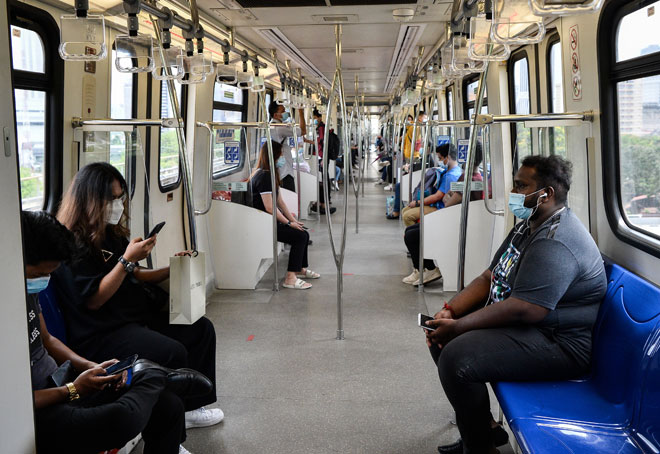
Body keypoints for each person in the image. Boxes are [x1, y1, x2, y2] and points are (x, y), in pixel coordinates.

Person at [424, 155, 607, 454]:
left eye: (522, 186)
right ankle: (484, 430)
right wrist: (452, 310)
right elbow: (490, 275)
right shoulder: (528, 225)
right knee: (438, 334)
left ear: (545, 194)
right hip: (534, 328)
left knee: (456, 357)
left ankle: (480, 447)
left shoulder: (555, 240)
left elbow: (527, 308)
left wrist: (458, 327)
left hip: (560, 343)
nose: (514, 193)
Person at [21, 210, 211, 454]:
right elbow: (11, 403)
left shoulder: (28, 291)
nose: (43, 280)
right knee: (123, 419)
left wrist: (90, 366)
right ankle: (154, 375)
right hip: (39, 409)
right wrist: (71, 390)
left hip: (60, 382)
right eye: (38, 274)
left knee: (169, 405)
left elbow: (47, 339)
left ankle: (150, 376)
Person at [55, 162, 223, 429]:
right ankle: (170, 427)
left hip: (131, 315)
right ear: (91, 199)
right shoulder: (70, 242)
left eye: (120, 198)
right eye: (112, 199)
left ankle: (191, 408)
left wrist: (171, 268)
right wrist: (126, 261)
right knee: (172, 352)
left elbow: (136, 274)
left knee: (200, 329)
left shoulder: (109, 234)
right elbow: (95, 299)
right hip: (101, 330)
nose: (117, 205)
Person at [402, 144, 484, 286]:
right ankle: (422, 268)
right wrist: (450, 196)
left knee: (412, 235)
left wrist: (450, 196)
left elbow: (448, 202)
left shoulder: (470, 179)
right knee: (410, 230)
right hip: (453, 217)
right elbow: (449, 196)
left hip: (455, 221)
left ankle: (428, 268)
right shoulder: (467, 175)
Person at [250, 140, 320, 290]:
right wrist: (288, 224)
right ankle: (289, 278)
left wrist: (294, 220)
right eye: (280, 155)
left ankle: (299, 269)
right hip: (263, 223)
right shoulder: (264, 177)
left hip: (268, 220)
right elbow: (269, 207)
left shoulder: (270, 174)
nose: (282, 159)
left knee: (303, 233)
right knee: (299, 237)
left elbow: (280, 202)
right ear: (273, 156)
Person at [401, 143, 462, 227]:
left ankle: (416, 236)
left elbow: (437, 196)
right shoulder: (453, 170)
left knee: (407, 216)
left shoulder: (450, 176)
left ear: (447, 157)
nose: (439, 161)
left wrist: (417, 203)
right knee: (405, 210)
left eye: (440, 158)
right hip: (436, 204)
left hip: (439, 208)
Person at [267, 101, 314, 192]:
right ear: (276, 115)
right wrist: (300, 112)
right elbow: (303, 131)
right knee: (289, 198)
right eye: (283, 111)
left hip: (279, 169)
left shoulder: (271, 125)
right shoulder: (280, 127)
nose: (286, 113)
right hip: (285, 172)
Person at [310, 108, 336, 215]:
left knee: (323, 180)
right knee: (322, 179)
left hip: (322, 157)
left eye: (315, 118)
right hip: (321, 157)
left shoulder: (321, 128)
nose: (314, 120)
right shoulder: (320, 128)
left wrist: (307, 141)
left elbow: (321, 143)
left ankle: (324, 204)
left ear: (319, 117)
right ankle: (321, 203)